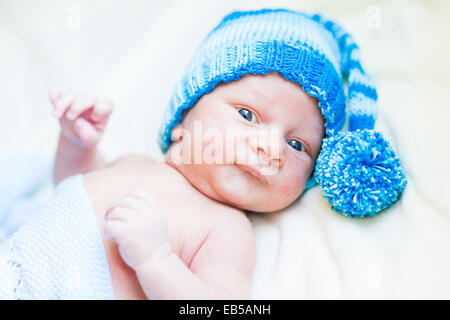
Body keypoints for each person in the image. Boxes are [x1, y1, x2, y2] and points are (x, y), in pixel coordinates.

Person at [0, 8, 406, 299]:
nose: (270, 147)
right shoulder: (134, 164)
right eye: (248, 114)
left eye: (298, 145)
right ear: (182, 118)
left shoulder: (226, 229)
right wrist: (76, 143)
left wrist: (157, 260)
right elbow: (69, 189)